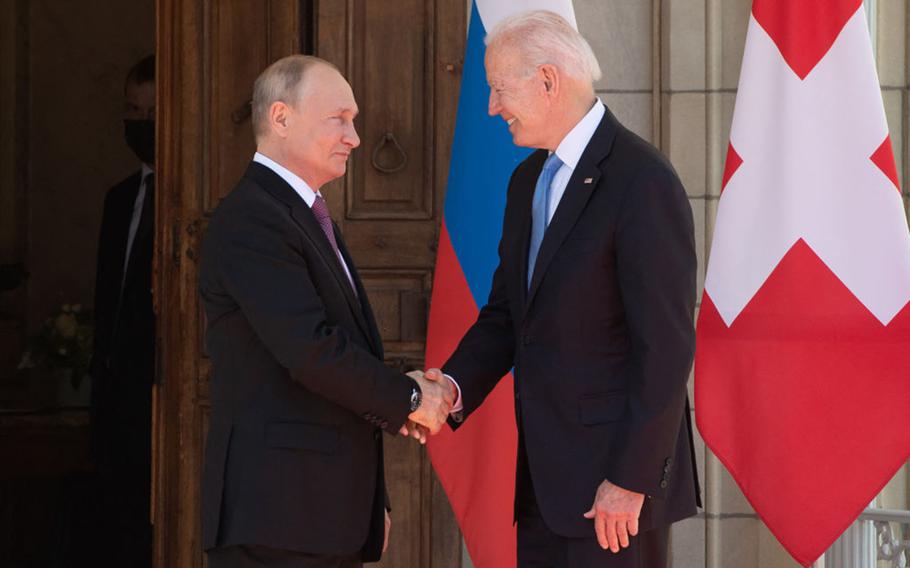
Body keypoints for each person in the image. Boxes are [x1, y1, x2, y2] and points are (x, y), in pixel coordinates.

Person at [425, 11, 701, 567]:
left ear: (548, 80)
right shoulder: (527, 180)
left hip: (615, 495)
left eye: (500, 89)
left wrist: (629, 479)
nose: (491, 107)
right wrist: (450, 387)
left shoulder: (641, 180)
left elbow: (666, 349)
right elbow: (508, 315)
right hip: (544, 489)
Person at [198, 55, 452, 568]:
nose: (355, 137)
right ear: (281, 117)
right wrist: (408, 396)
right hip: (279, 516)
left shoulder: (303, 213)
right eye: (339, 118)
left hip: (321, 516)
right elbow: (310, 351)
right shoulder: (253, 218)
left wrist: (368, 502)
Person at [89, 53, 157, 568]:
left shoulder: (192, 203)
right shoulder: (120, 200)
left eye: (151, 113)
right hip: (116, 402)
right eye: (132, 110)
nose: (138, 124)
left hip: (162, 399)